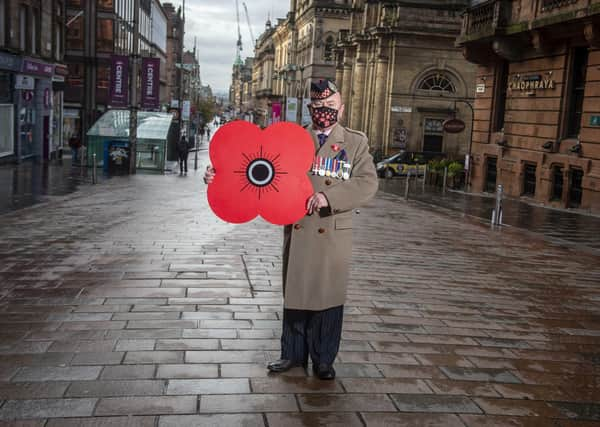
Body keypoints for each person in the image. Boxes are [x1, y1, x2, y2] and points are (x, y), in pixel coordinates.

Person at [204, 79, 378, 380]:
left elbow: (367, 183)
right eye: (318, 107)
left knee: (327, 297)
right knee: (296, 295)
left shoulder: (355, 142)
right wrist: (218, 175)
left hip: (332, 229)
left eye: (330, 106)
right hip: (297, 227)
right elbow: (254, 166)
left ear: (342, 107)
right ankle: (292, 355)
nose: (324, 112)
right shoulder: (292, 138)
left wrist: (328, 197)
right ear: (310, 108)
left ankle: (323, 359)